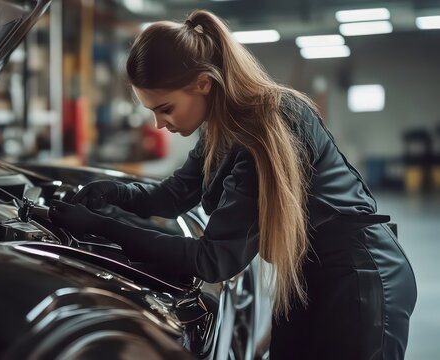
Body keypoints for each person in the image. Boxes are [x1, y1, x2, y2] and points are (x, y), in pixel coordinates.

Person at [48, 9, 417, 360]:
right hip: (307, 277)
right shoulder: (220, 132)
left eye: (165, 108)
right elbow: (173, 195)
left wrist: (104, 226)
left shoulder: (269, 127)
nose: (159, 124)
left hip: (358, 280)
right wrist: (113, 194)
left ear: (203, 83)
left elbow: (214, 260)